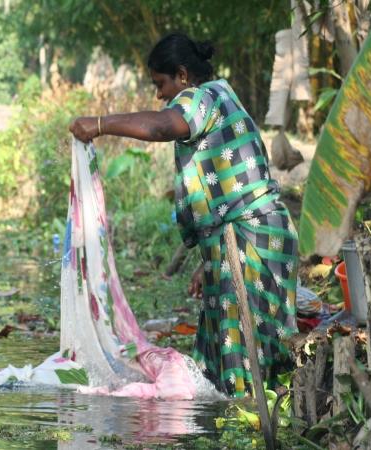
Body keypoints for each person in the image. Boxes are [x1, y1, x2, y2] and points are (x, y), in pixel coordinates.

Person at [69, 32, 297, 398]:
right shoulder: (222, 94)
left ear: (182, 75)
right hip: (252, 234)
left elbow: (161, 126)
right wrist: (207, 262)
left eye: (161, 84)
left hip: (251, 236)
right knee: (227, 352)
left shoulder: (200, 97)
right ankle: (236, 420)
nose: (159, 95)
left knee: (246, 353)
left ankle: (249, 425)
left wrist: (99, 124)